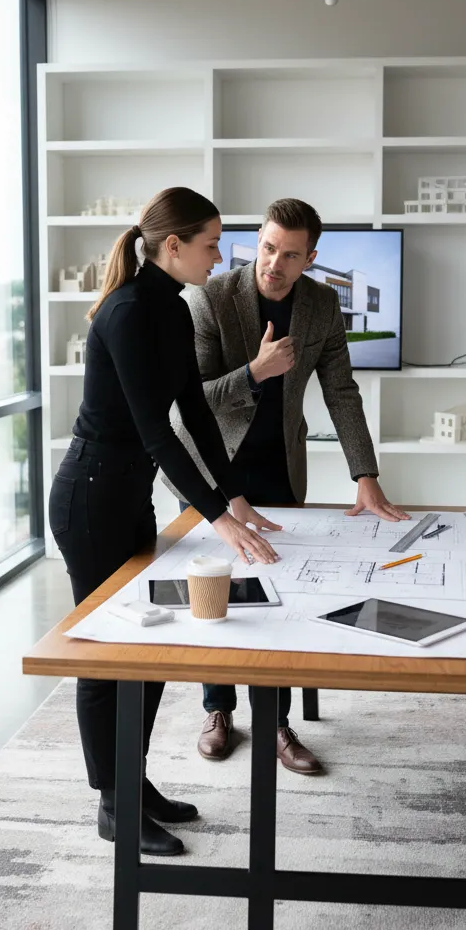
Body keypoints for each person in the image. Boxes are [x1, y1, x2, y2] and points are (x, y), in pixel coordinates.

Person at [48, 186, 280, 858]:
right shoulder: (124, 312)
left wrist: (233, 498)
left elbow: (197, 414)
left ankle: (133, 785)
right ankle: (113, 805)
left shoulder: (177, 308)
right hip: (89, 499)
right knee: (106, 658)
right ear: (172, 245)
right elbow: (156, 432)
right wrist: (215, 517)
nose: (218, 256)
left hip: (125, 497)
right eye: (209, 244)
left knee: (145, 653)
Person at [164, 197, 410, 773]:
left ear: (311, 258)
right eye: (268, 248)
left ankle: (275, 721)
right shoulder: (209, 297)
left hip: (279, 463)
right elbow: (186, 403)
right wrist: (255, 371)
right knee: (217, 591)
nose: (274, 263)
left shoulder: (323, 305)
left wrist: (365, 476)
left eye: (290, 254)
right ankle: (217, 708)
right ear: (259, 242)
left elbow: (341, 390)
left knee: (283, 591)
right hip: (211, 465)